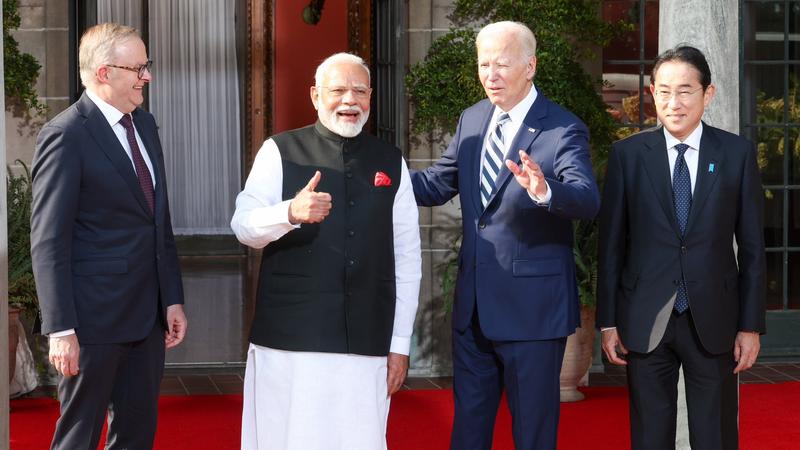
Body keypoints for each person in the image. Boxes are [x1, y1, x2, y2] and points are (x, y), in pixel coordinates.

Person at [411, 21, 600, 450]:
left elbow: (587, 199)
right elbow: (438, 183)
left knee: (533, 434)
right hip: (474, 308)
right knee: (469, 432)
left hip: (532, 313)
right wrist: (380, 178)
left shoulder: (562, 128)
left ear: (530, 66)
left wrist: (545, 190)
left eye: (501, 64)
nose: (490, 75)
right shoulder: (473, 119)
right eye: (483, 64)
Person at [230, 52, 421, 450]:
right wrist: (290, 212)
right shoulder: (279, 150)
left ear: (370, 96)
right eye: (338, 90)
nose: (349, 100)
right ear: (316, 96)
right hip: (290, 339)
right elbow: (244, 227)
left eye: (359, 91)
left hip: (367, 338)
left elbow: (407, 257)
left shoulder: (391, 161)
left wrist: (400, 344)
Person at [597, 45, 766, 450]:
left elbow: (754, 248)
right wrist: (608, 322)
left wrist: (750, 325)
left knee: (716, 435)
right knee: (650, 436)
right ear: (652, 93)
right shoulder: (628, 155)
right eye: (666, 91)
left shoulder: (736, 154)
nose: (675, 103)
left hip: (715, 320)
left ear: (708, 94)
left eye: (686, 91)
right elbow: (612, 246)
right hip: (645, 319)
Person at [30, 23, 187, 449]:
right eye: (139, 67)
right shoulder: (66, 135)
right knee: (78, 436)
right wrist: (60, 328)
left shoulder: (146, 125)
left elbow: (159, 222)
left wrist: (171, 297)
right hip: (92, 323)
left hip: (147, 319)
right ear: (104, 72)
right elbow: (49, 240)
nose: (147, 77)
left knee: (136, 435)